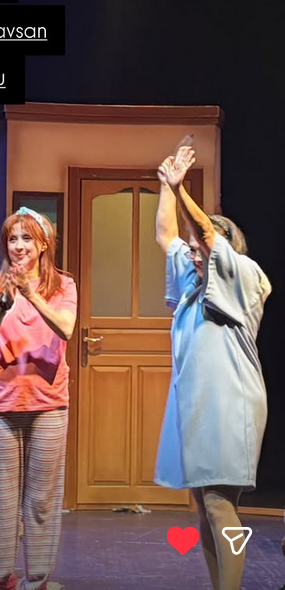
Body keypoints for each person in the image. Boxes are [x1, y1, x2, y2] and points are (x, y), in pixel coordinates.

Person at [154, 146, 271, 590]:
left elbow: (202, 231)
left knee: (221, 503)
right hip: (198, 405)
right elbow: (167, 236)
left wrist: (182, 187)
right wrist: (166, 187)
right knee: (204, 506)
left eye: (201, 249)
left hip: (229, 405)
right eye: (193, 251)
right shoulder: (193, 281)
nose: (194, 254)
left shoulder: (242, 276)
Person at [0, 207, 77, 590]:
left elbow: (66, 328)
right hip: (0, 403)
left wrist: (31, 293)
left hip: (48, 403)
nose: (18, 246)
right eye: (12, 239)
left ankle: (37, 580)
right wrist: (4, 306)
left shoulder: (63, 286)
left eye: (26, 238)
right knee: (3, 498)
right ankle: (2, 578)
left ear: (43, 244)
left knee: (41, 498)